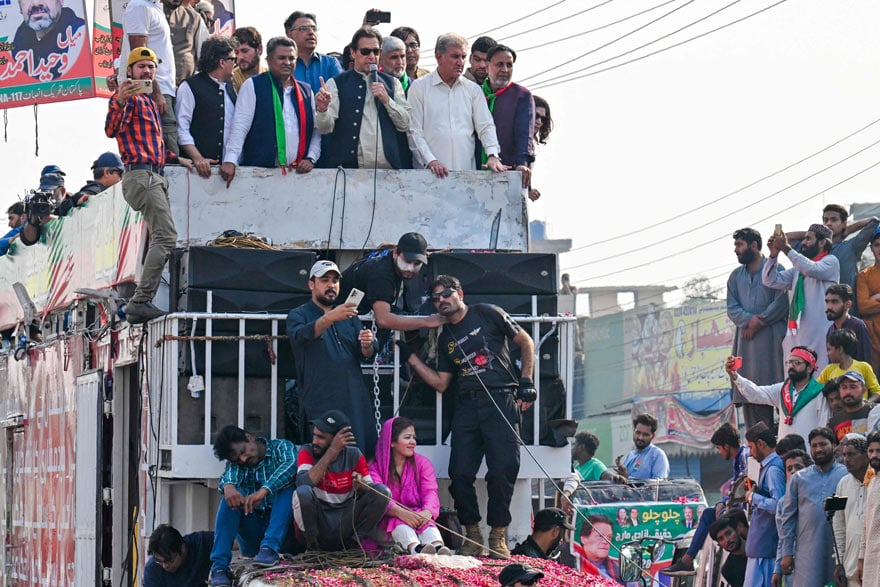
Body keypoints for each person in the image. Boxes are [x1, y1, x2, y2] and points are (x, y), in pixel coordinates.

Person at [399, 275, 536, 558]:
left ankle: (498, 535)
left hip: (500, 398)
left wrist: (527, 381)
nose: (441, 301)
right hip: (466, 405)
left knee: (502, 471)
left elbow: (526, 342)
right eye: (435, 299)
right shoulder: (445, 335)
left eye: (445, 294)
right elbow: (440, 383)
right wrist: (411, 359)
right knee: (459, 473)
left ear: (459, 292)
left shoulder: (487, 312)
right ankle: (472, 533)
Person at [105, 47, 193, 324]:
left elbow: (152, 148)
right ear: (129, 71)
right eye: (141, 66)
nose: (147, 71)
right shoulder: (129, 99)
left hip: (152, 174)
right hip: (141, 177)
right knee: (166, 237)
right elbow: (110, 129)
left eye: (151, 67)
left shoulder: (150, 102)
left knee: (163, 238)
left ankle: (141, 299)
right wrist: (119, 99)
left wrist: (179, 158)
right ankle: (140, 301)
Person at [286, 259, 377, 453]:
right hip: (320, 399)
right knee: (321, 457)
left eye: (335, 281)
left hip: (353, 399)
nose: (331, 285)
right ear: (312, 284)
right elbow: (301, 336)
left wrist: (367, 343)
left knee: (358, 455)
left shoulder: (348, 316)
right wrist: (330, 318)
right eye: (325, 280)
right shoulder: (298, 314)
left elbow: (366, 354)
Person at [222, 36, 320, 184]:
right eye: (281, 58)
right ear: (268, 60)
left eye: (291, 58)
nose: (287, 62)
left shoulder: (306, 91)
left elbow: (315, 129)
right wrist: (230, 159)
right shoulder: (253, 85)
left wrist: (311, 157)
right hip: (259, 174)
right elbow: (240, 126)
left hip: (298, 175)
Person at [407, 33, 506, 178]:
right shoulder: (419, 87)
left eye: (463, 57)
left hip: (465, 178)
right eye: (455, 56)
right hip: (428, 177)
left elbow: (485, 126)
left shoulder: (473, 90)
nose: (460, 62)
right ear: (438, 57)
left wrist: (492, 154)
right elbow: (414, 131)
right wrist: (431, 161)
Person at [209, 425, 297, 585]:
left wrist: (264, 491)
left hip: (283, 536)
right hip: (253, 537)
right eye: (237, 459)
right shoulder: (238, 465)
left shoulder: (281, 447)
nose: (243, 459)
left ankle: (269, 549)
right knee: (232, 497)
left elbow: (291, 466)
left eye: (243, 452)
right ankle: (219, 568)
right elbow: (229, 475)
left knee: (286, 486)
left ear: (249, 437)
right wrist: (228, 487)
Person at [293, 410, 391, 551]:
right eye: (314, 435)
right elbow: (303, 484)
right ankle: (312, 548)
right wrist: (332, 452)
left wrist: (361, 486)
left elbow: (372, 493)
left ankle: (354, 544)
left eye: (321, 437)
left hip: (344, 521)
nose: (315, 441)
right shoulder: (307, 451)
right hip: (318, 522)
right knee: (303, 492)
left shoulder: (354, 455)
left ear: (339, 439)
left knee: (382, 492)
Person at [314, 28, 411, 170]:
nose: (371, 56)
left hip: (387, 171)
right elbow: (325, 128)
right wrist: (322, 110)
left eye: (376, 52)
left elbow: (405, 124)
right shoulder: (336, 83)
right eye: (365, 52)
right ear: (353, 53)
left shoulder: (392, 83)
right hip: (350, 171)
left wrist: (387, 100)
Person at [664, 421, 750, 576]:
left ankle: (687, 560)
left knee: (709, 515)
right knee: (709, 513)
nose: (719, 452)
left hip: (744, 509)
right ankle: (688, 560)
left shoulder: (744, 457)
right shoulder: (738, 459)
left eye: (719, 448)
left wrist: (724, 505)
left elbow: (742, 489)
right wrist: (721, 503)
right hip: (737, 506)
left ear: (726, 446)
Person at [727, 227, 790, 429]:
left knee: (783, 400)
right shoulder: (735, 277)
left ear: (754, 245)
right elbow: (732, 308)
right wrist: (749, 320)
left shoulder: (776, 270)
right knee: (753, 406)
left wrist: (759, 321)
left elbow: (782, 303)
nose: (736, 250)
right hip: (746, 346)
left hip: (773, 345)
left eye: (739, 245)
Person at [368, 416, 451, 555]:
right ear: (392, 442)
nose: (413, 442)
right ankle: (416, 549)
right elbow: (379, 496)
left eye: (414, 437)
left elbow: (430, 492)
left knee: (427, 523)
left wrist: (427, 512)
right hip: (388, 520)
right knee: (398, 522)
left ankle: (438, 547)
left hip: (417, 516)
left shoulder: (423, 463)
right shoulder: (375, 467)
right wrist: (402, 514)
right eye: (407, 437)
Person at [764, 224, 841, 371]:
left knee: (819, 378)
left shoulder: (831, 262)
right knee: (795, 379)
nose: (804, 243)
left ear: (822, 242)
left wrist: (786, 248)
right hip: (797, 334)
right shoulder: (797, 271)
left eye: (808, 239)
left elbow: (812, 269)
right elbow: (770, 280)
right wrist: (773, 256)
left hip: (820, 334)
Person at [779, 427, 848, 586]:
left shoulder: (846, 474)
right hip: (807, 554)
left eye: (823, 444)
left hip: (839, 550)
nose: (818, 449)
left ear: (834, 445)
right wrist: (786, 553)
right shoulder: (799, 478)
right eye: (814, 445)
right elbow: (787, 518)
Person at [338, 232, 443, 331]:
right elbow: (383, 320)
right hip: (339, 325)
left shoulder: (388, 260)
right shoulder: (381, 274)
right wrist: (426, 321)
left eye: (417, 263)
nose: (410, 268)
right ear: (395, 253)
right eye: (407, 261)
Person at [788, 204, 879, 313]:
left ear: (844, 223)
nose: (828, 223)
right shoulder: (813, 249)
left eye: (834, 220)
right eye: (825, 220)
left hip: (848, 314)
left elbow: (874, 222)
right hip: (821, 314)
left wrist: (848, 230)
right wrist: (816, 234)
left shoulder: (851, 247)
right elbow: (787, 237)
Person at [726, 347, 830, 443]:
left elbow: (824, 424)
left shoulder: (820, 392)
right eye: (789, 362)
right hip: (785, 455)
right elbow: (756, 394)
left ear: (809, 368)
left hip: (810, 455)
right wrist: (735, 376)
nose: (791, 366)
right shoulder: (782, 389)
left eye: (797, 363)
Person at [118, 0, 178, 155]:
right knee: (167, 150)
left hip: (163, 89)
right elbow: (139, 56)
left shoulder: (154, 8)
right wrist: (155, 93)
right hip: (153, 92)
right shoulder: (140, 6)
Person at [176, 36, 238, 179]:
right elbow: (181, 127)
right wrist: (198, 158)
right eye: (233, 60)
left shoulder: (230, 87)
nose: (236, 64)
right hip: (196, 174)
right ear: (222, 62)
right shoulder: (190, 86)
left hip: (229, 172)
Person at [482, 44, 534, 189]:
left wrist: (522, 164)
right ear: (487, 66)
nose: (505, 70)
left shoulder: (521, 95)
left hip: (507, 172)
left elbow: (524, 134)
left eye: (509, 65)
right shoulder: (476, 93)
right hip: (475, 170)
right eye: (499, 64)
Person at [742, 422, 786, 586]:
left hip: (766, 550)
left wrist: (753, 497)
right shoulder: (768, 467)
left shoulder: (774, 469)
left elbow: (779, 506)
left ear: (761, 443)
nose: (751, 453)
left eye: (752, 447)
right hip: (761, 547)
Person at [12, 0, 86, 81]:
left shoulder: (80, 36)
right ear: (20, 6)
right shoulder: (17, 44)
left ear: (61, 1)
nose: (36, 3)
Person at [831, 434, 869, 587]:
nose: (846, 459)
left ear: (867, 455)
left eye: (852, 454)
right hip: (851, 566)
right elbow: (839, 526)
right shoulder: (843, 484)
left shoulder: (876, 482)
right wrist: (839, 561)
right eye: (844, 455)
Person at [284, 11, 342, 92]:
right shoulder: (284, 65)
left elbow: (343, 92)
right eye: (304, 28)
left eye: (314, 28)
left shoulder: (330, 63)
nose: (311, 32)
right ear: (289, 34)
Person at [818, 330, 880, 400]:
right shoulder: (828, 370)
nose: (827, 354)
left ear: (840, 349)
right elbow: (816, 390)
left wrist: (865, 406)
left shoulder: (864, 367)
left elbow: (877, 392)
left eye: (829, 349)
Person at [144, 524, 212, 586]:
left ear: (183, 548)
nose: (165, 566)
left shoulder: (204, 544)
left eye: (169, 560)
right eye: (159, 561)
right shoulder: (153, 570)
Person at [825, 284, 873, 363]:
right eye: (827, 302)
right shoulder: (831, 330)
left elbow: (865, 363)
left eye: (834, 302)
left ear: (848, 304)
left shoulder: (858, 326)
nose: (829, 307)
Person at [164, 0, 208, 85]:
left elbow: (204, 54)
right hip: (158, 83)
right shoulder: (152, 11)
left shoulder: (195, 18)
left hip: (185, 84)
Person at [826, 371, 880, 440]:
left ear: (864, 390)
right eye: (844, 387)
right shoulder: (834, 421)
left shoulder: (876, 412)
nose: (848, 392)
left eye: (853, 387)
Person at [614, 413, 670, 480]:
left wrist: (628, 478)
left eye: (645, 435)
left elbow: (657, 486)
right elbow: (623, 481)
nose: (640, 437)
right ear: (633, 431)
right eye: (638, 433)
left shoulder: (658, 455)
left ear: (652, 436)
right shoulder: (630, 455)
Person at [857, 430, 880, 587]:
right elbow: (866, 525)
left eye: (879, 451)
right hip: (872, 556)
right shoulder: (871, 483)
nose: (874, 455)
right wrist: (861, 557)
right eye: (871, 451)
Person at [708, 510, 750, 587]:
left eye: (728, 533)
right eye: (721, 539)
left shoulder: (758, 546)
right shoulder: (729, 570)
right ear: (719, 544)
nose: (727, 540)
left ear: (737, 529)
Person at [577, 515, 619, 581]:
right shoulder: (571, 563)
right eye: (600, 536)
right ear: (584, 539)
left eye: (609, 537)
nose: (606, 541)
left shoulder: (619, 569)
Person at [231, 26, 266, 92]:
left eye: (244, 51)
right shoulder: (232, 79)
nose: (240, 57)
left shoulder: (271, 76)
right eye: (236, 52)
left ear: (259, 49)